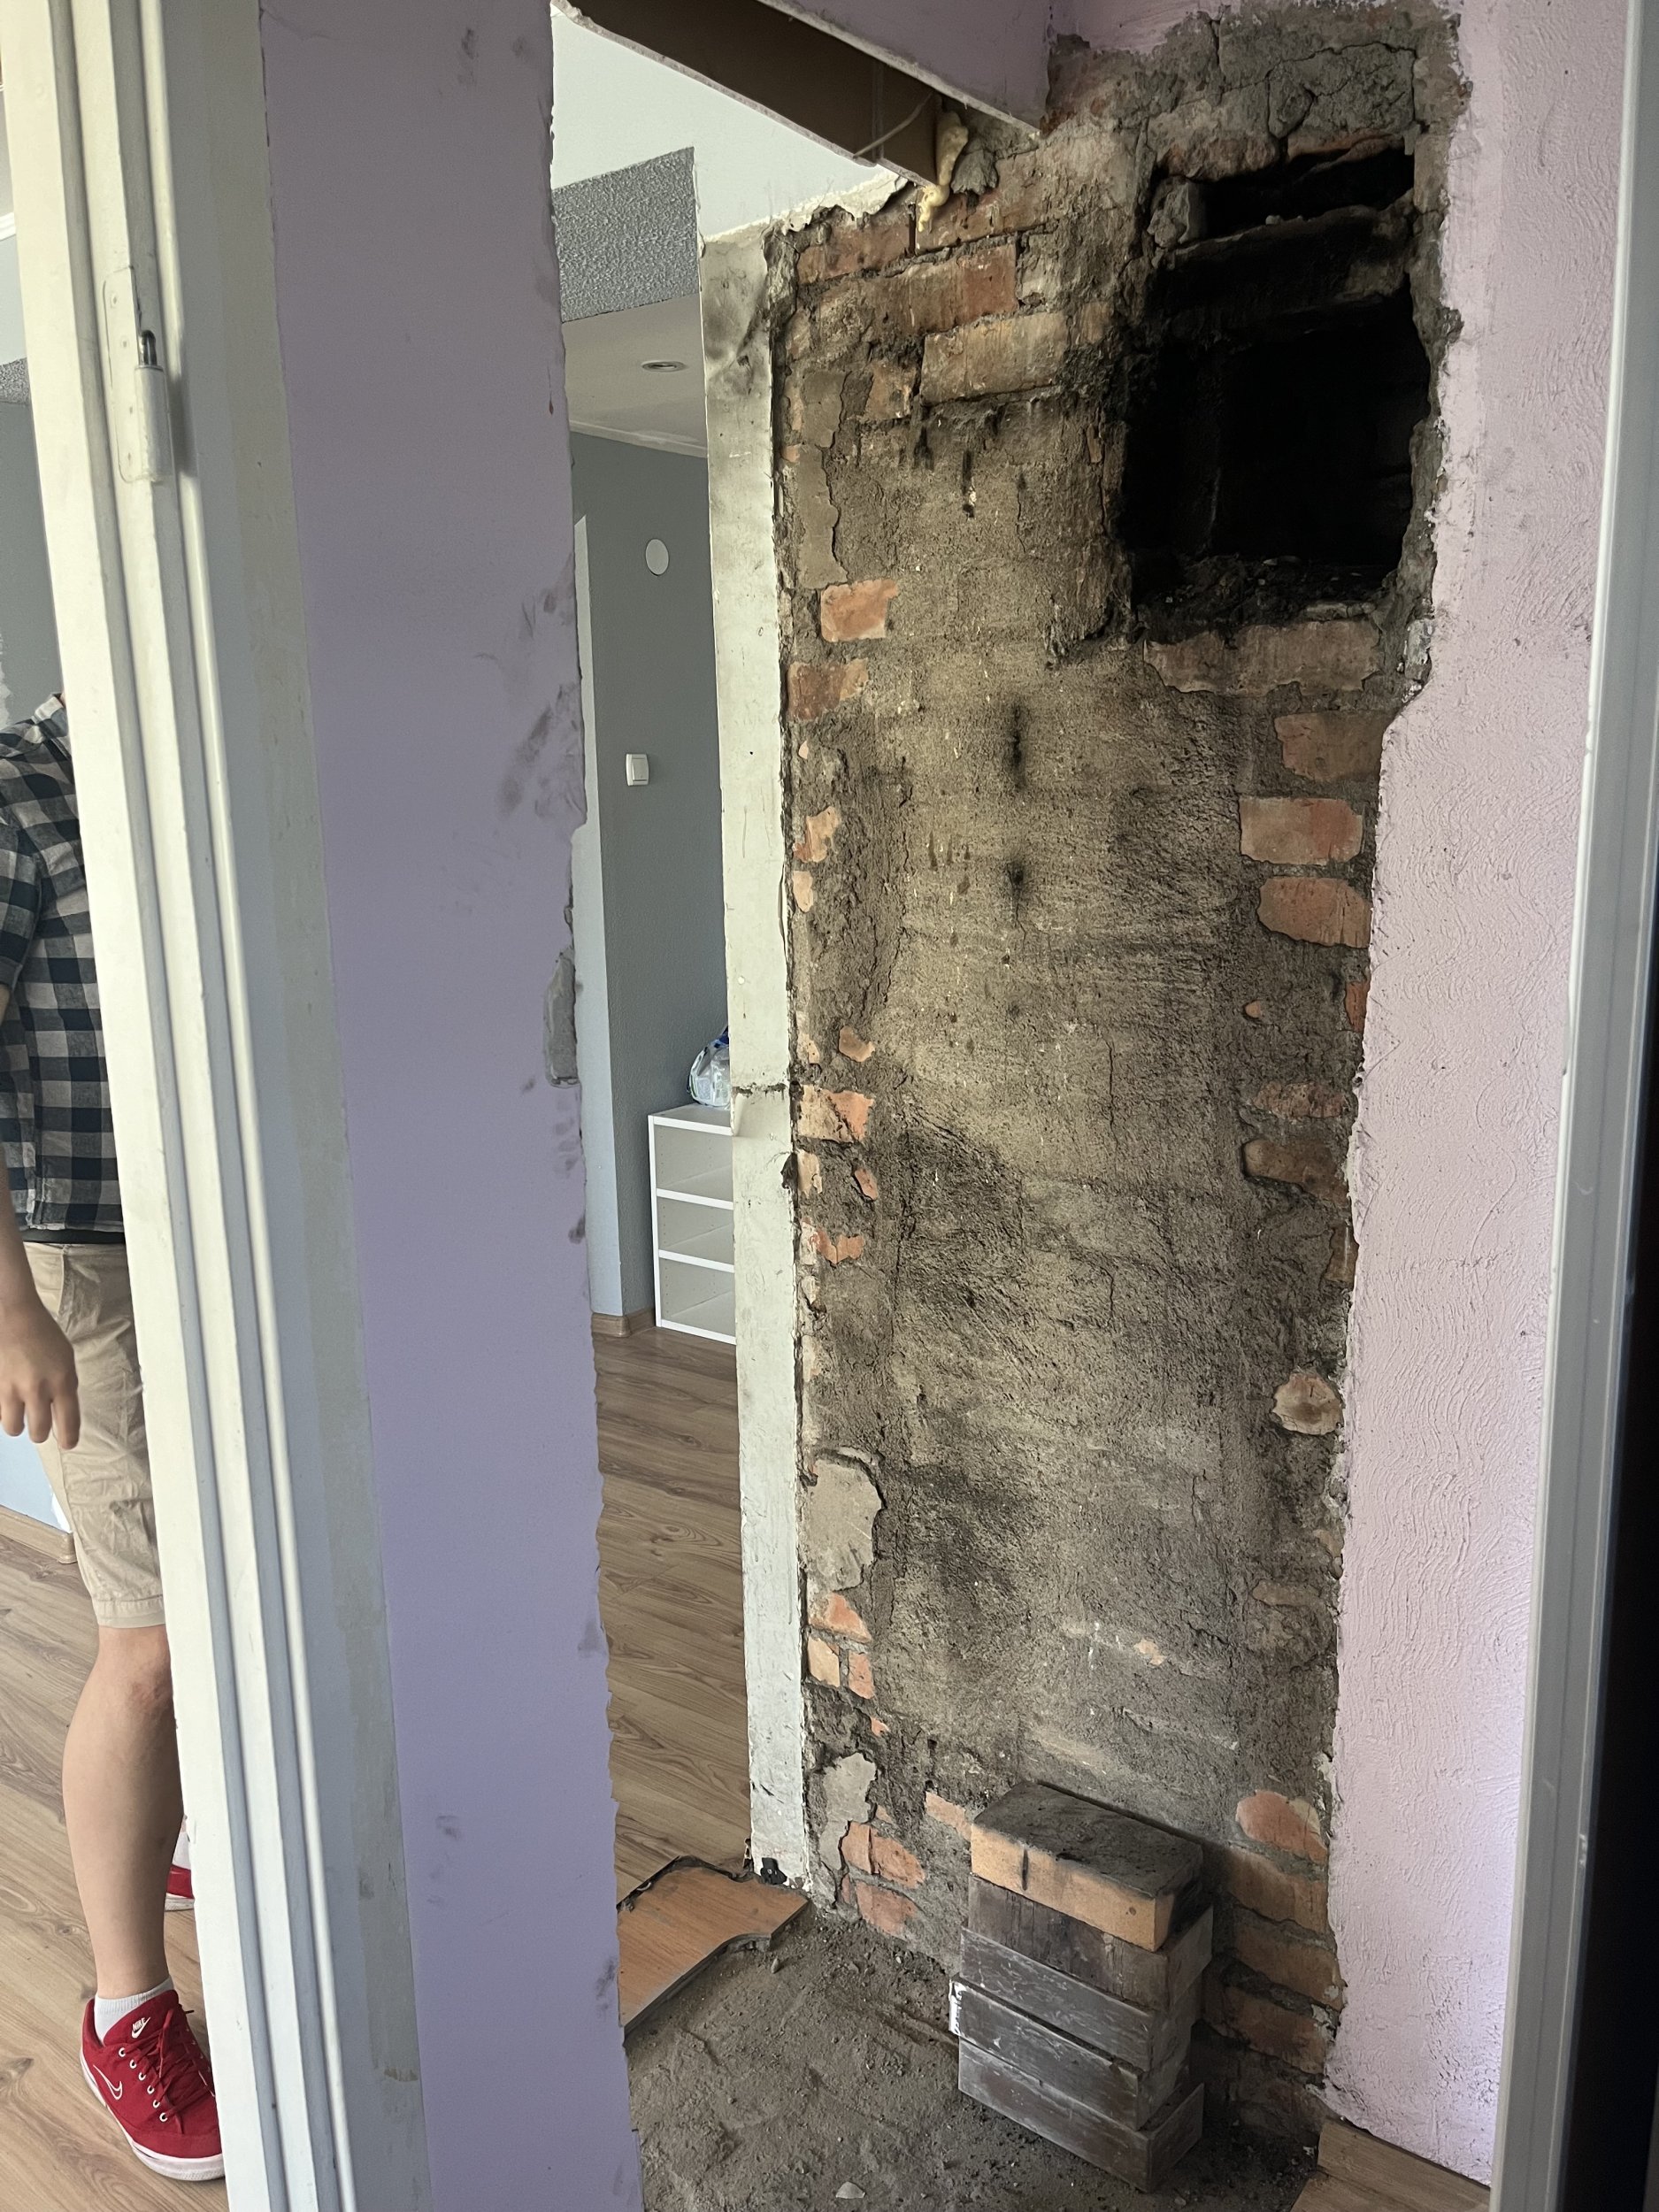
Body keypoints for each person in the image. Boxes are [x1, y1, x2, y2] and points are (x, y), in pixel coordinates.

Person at [0, 694, 222, 2183]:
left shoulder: (199, 775)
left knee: (223, 1605)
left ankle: (182, 1833)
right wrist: (11, 1305)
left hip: (215, 1241)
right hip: (84, 1263)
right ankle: (126, 2009)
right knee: (145, 1646)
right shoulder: (21, 794)